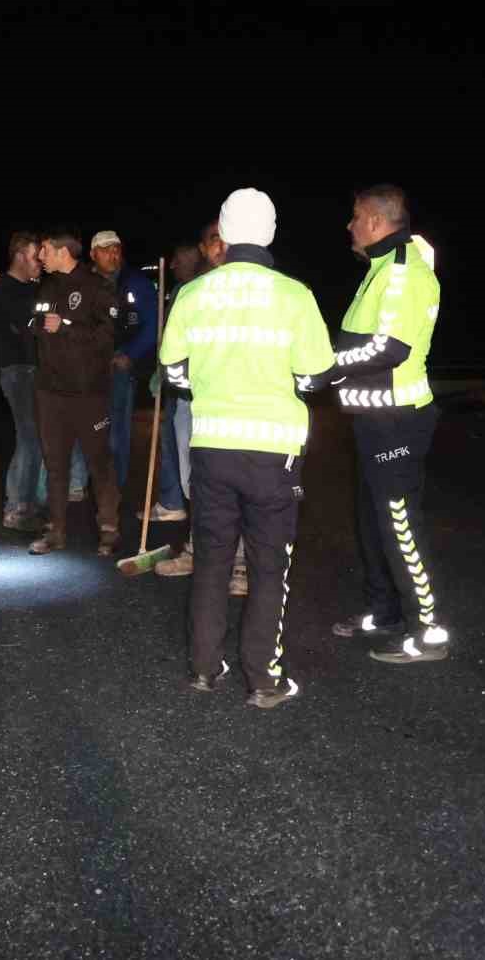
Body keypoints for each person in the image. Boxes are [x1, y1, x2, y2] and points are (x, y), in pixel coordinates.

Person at [160, 188, 335, 708]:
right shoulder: (295, 295)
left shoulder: (193, 294)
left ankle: (203, 670)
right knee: (267, 564)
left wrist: (211, 383)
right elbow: (317, 374)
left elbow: (173, 372)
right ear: (272, 232)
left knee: (211, 560)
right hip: (273, 451)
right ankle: (264, 679)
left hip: (213, 445)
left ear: (225, 233)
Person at [303, 184, 449, 663]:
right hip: (372, 418)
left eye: (353, 216)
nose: (348, 226)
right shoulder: (382, 268)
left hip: (397, 422)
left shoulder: (405, 271)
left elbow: (389, 348)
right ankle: (385, 612)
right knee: (372, 522)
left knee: (400, 524)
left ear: (374, 220)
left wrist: (325, 365)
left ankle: (428, 631)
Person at [154, 221, 251, 597]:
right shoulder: (189, 292)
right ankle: (199, 550)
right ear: (204, 247)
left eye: (228, 239)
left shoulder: (249, 292)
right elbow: (173, 347)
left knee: (237, 485)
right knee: (194, 482)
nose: (221, 246)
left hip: (236, 406)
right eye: (214, 239)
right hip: (192, 404)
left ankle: (240, 564)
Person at [27, 228, 121, 556]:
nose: (40, 256)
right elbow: (34, 325)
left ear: (62, 252)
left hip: (88, 394)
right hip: (50, 392)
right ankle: (56, 531)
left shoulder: (97, 288)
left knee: (99, 462)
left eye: (44, 250)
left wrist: (66, 327)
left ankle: (109, 529)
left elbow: (107, 337)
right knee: (55, 464)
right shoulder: (47, 285)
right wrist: (41, 326)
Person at [89, 231, 159, 490]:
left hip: (118, 369)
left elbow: (153, 324)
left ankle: (113, 488)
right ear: (93, 254)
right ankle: (81, 487)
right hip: (85, 371)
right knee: (86, 429)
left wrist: (130, 354)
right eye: (106, 249)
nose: (113, 254)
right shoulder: (82, 282)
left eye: (116, 248)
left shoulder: (136, 283)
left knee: (117, 433)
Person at [0, 232, 46, 531]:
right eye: (37, 256)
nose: (41, 262)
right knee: (29, 438)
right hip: (19, 371)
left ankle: (25, 504)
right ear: (21, 255)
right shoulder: (4, 290)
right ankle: (18, 507)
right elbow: (26, 327)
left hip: (32, 370)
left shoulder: (32, 288)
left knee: (32, 439)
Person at [151, 241, 203, 522]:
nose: (172, 266)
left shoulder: (194, 292)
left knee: (191, 455)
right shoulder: (179, 291)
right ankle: (175, 503)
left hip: (194, 389)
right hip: (179, 386)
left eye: (178, 261)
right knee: (174, 444)